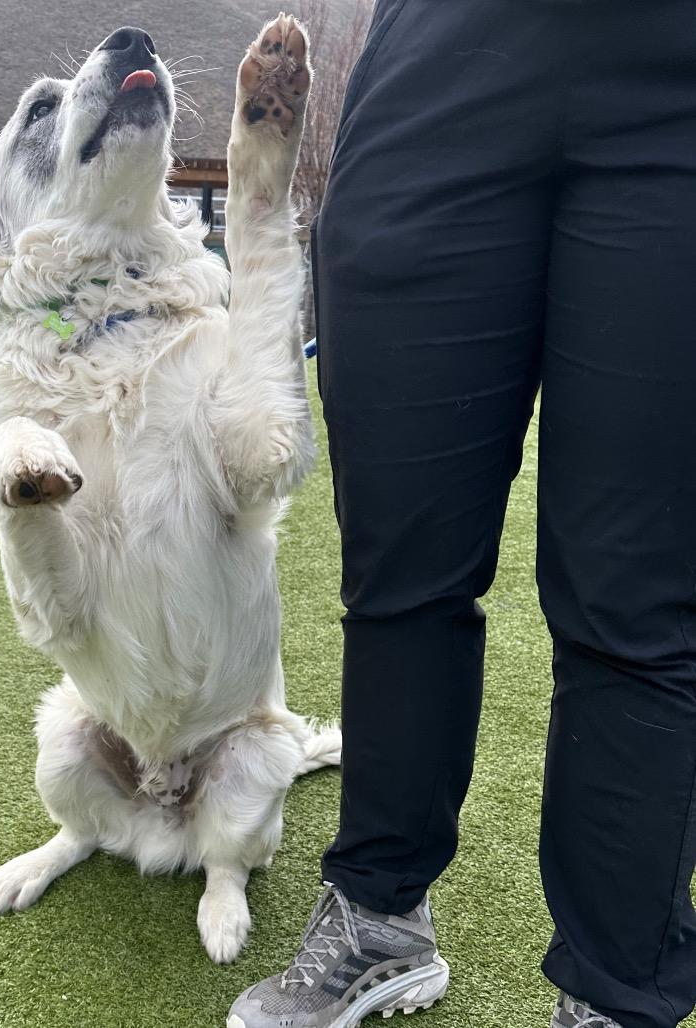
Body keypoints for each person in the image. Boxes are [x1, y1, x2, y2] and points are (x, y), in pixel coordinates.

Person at [227, 2, 696, 1027]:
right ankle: (378, 913)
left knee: (636, 596)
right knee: (401, 558)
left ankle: (616, 991)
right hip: (443, 65)